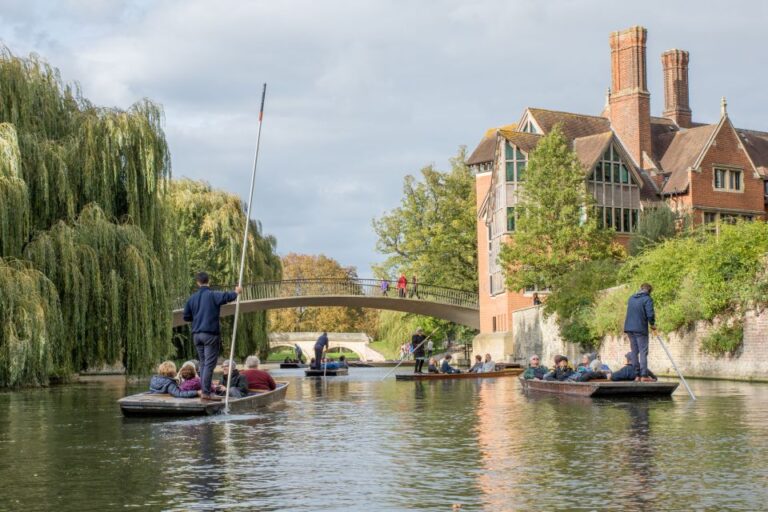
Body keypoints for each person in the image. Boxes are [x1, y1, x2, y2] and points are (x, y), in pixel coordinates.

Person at [183, 271, 242, 401]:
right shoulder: (212, 295)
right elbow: (227, 296)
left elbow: (186, 316)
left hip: (197, 335)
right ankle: (206, 392)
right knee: (209, 364)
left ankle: (205, 390)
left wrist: (197, 316)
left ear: (197, 283)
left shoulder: (191, 298)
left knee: (203, 363)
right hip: (209, 334)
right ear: (208, 281)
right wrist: (237, 292)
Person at [624, 283, 657, 382]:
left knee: (634, 352)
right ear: (649, 291)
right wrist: (652, 324)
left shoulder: (631, 298)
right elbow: (650, 314)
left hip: (629, 328)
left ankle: (636, 375)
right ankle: (644, 376)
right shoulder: (647, 299)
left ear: (640, 288)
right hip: (640, 329)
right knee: (643, 352)